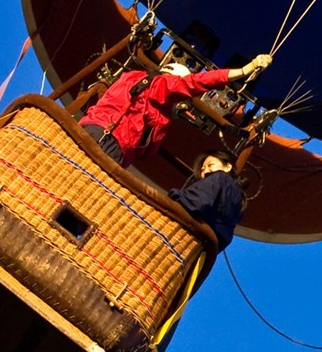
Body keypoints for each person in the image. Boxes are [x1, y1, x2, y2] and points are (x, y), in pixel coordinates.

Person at [79, 54, 272, 168]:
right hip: (111, 141)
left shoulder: (132, 77)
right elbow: (194, 83)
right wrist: (245, 70)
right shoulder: (162, 85)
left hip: (90, 128)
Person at [169, 151, 246, 250]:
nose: (205, 171)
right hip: (200, 250)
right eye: (202, 169)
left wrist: (174, 195)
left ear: (227, 167)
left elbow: (197, 202)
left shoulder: (219, 177)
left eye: (210, 165)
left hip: (184, 236)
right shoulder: (238, 200)